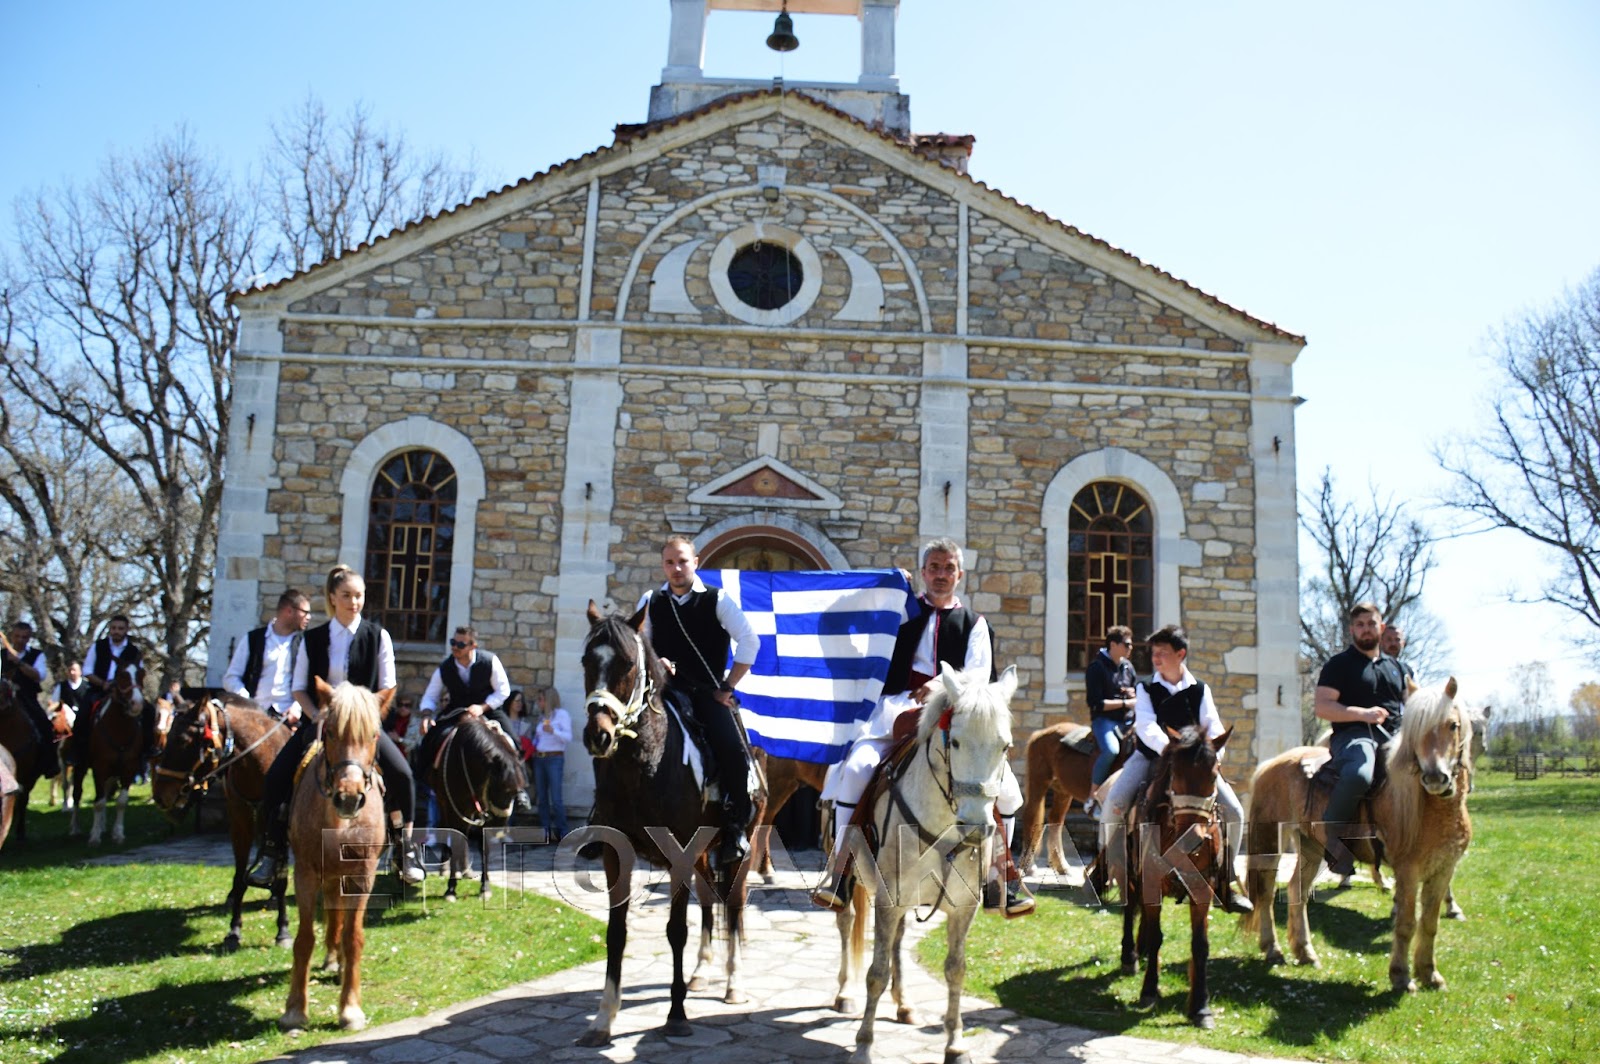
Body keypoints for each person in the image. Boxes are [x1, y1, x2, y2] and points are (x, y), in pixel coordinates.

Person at [814, 538, 1032, 917]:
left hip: (954, 714)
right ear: (923, 573)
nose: (941, 575)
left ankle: (1001, 877)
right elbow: (840, 617)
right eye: (934, 568)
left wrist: (939, 686)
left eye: (949, 568)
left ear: (960, 574)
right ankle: (841, 870)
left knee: (1009, 793)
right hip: (895, 711)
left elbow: (979, 672)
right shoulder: (898, 611)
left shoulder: (975, 624)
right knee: (857, 770)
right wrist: (881, 584)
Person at [246, 565, 425, 888]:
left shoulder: (378, 636)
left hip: (362, 725)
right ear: (332, 598)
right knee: (275, 777)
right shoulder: (312, 638)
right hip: (322, 722)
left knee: (402, 775)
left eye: (359, 596)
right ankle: (273, 850)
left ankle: (405, 847)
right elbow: (299, 688)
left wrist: (365, 716)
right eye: (346, 596)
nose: (353, 602)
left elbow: (387, 686)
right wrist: (316, 714)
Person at [1097, 624, 1253, 914]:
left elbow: (1213, 725)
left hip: (1194, 764)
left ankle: (1224, 881)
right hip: (1151, 758)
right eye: (1154, 653)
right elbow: (1146, 726)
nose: (1155, 658)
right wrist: (1171, 750)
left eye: (1163, 653)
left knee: (1235, 812)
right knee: (1115, 803)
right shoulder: (1145, 687)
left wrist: (1213, 754)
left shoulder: (1200, 689)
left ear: (1180, 654)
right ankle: (1104, 868)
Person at [639, 534, 760, 868]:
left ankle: (735, 827)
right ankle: (605, 814)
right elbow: (640, 645)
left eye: (682, 561)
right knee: (622, 738)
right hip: (663, 693)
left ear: (695, 562)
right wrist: (656, 662)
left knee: (733, 750)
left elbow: (750, 641)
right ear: (663, 565)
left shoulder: (717, 599)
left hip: (706, 694)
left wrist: (728, 686)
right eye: (669, 562)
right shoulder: (650, 600)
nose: (676, 568)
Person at [1315, 602, 1408, 877]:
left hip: (1393, 737)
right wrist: (1362, 714)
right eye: (1359, 625)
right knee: (1359, 774)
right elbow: (1322, 706)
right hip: (1354, 735)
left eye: (1371, 624)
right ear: (1352, 630)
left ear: (1381, 627)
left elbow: (1412, 703)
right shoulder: (1339, 665)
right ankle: (1333, 838)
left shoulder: (1397, 668)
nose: (1365, 629)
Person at [415, 625, 533, 816]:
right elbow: (430, 696)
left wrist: (482, 707)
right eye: (453, 642)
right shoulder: (445, 667)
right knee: (431, 738)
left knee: (513, 741)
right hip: (457, 710)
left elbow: (503, 691)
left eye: (461, 644)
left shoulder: (489, 661)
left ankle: (519, 789)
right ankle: (422, 783)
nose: (455, 647)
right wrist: (426, 715)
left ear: (473, 646)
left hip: (488, 709)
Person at [221, 588, 312, 716]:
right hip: (254, 715)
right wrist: (247, 701)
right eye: (305, 612)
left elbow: (309, 683)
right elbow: (231, 678)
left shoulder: (305, 643)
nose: (309, 617)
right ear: (289, 611)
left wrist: (297, 707)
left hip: (288, 716)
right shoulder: (253, 639)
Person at [76, 614, 149, 766]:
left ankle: (147, 751)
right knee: (82, 714)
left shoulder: (134, 651)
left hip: (126, 693)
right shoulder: (98, 646)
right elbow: (87, 670)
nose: (116, 631)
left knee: (149, 711)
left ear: (126, 630)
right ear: (109, 629)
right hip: (99, 690)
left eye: (120, 628)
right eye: (114, 628)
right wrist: (102, 683)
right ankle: (77, 753)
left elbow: (140, 673)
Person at [1083, 624, 1138, 814]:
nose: (1131, 648)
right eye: (1127, 644)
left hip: (1129, 721)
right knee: (1111, 750)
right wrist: (1125, 703)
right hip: (1104, 721)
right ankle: (1092, 797)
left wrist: (1132, 693)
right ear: (1113, 645)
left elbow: (1134, 692)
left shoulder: (1128, 667)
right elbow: (1095, 704)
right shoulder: (1096, 668)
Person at [2, 620, 61, 778]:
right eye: (17, 636)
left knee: (45, 725)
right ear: (12, 636)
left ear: (29, 638)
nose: (20, 640)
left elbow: (39, 676)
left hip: (27, 698)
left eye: (24, 637)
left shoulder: (37, 655)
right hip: (4, 699)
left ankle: (50, 764)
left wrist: (19, 662)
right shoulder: (1, 654)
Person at [529, 685, 571, 844]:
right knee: (542, 797)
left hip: (554, 759)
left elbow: (568, 738)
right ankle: (545, 831)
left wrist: (553, 731)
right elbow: (539, 738)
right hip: (539, 759)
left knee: (556, 798)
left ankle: (563, 832)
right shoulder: (542, 717)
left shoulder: (562, 715)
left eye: (541, 699)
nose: (539, 702)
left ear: (549, 699)